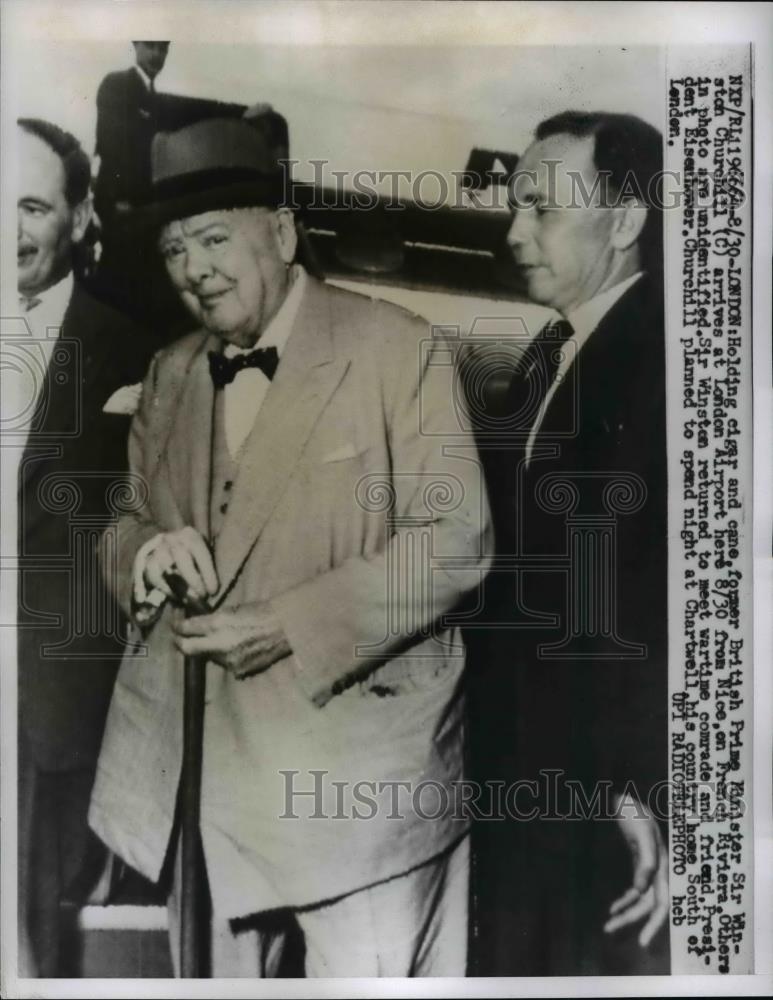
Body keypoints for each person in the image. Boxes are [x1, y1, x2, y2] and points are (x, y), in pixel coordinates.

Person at [88, 117, 492, 978]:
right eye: (172, 250)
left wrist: (292, 625)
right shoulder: (169, 371)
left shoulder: (398, 346)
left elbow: (454, 541)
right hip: (201, 784)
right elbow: (121, 518)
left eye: (211, 238)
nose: (193, 269)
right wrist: (144, 554)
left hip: (359, 788)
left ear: (280, 231)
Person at [467, 110, 669, 975]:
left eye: (541, 210)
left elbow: (661, 594)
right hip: (528, 769)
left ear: (625, 222)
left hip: (598, 791)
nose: (515, 234)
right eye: (515, 208)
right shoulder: (551, 355)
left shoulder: (666, 360)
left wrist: (639, 785)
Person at [16, 117, 154, 975]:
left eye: (29, 206)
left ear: (78, 217)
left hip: (44, 701)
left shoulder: (136, 346)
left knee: (25, 940)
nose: (6, 232)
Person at [93, 41, 170, 223]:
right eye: (151, 46)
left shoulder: (153, 96)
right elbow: (109, 144)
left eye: (163, 49)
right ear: (136, 45)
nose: (156, 55)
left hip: (144, 204)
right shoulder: (117, 84)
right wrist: (119, 197)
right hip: (121, 204)